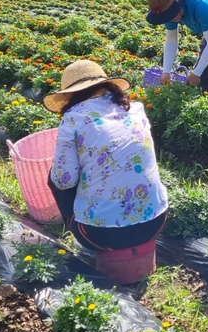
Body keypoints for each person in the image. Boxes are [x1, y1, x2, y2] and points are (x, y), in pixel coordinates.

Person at [45, 60, 169, 251]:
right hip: (155, 221)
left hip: (101, 235)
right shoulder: (135, 109)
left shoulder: (73, 118)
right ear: (106, 85)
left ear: (71, 95)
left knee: (56, 175)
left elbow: (64, 180)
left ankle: (79, 231)